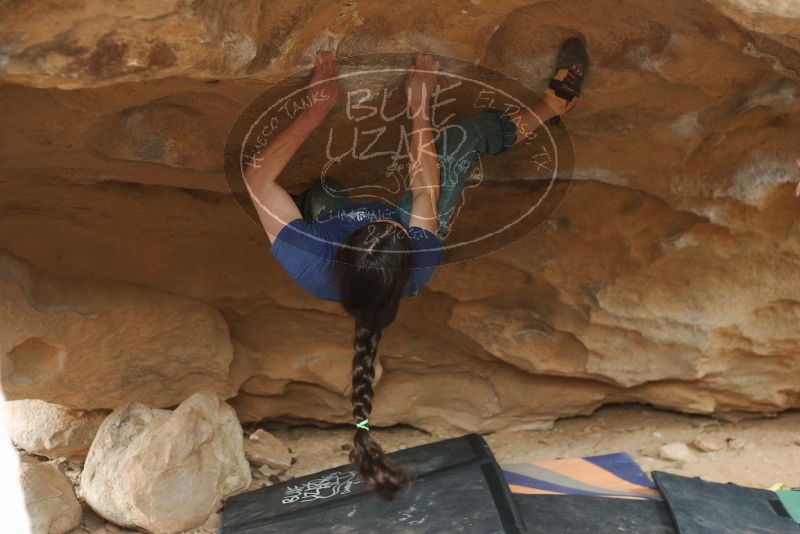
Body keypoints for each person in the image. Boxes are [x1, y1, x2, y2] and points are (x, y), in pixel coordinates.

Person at [242, 40, 588, 500]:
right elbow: (423, 184)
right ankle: (553, 105)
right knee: (456, 146)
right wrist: (419, 105)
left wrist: (317, 108)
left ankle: (550, 106)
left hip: (351, 241)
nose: (386, 211)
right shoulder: (419, 253)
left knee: (324, 195)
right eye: (389, 221)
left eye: (386, 221)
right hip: (404, 253)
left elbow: (256, 178)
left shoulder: (309, 251)